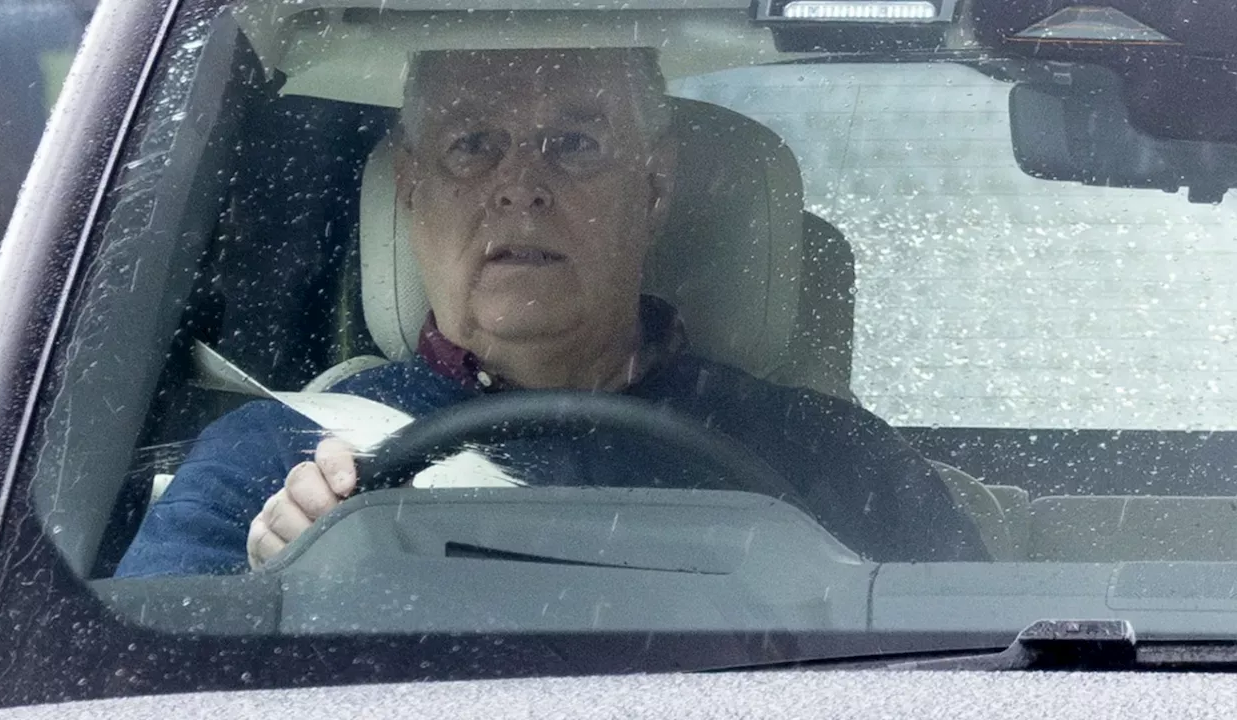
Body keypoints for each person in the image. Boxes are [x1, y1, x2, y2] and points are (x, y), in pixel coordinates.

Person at [115, 48, 988, 578]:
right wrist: (285, 592)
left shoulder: (842, 462)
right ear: (411, 188)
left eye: (573, 144)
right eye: (471, 144)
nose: (520, 188)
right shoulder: (272, 464)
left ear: (654, 185)